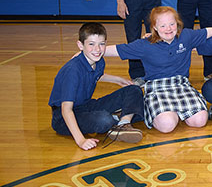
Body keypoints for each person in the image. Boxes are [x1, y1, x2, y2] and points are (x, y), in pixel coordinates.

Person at [104, 6, 212, 133]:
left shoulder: (186, 36)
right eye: (162, 26)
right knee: (167, 125)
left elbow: (207, 32)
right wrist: (91, 51)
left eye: (172, 24)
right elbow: (117, 50)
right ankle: (159, 111)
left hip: (181, 85)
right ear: (155, 27)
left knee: (200, 121)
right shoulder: (144, 44)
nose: (168, 29)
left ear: (177, 24)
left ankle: (174, 112)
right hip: (157, 88)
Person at [48, 22, 144, 150]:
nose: (97, 49)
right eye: (91, 44)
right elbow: (66, 109)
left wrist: (117, 79)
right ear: (80, 45)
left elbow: (95, 75)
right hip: (63, 118)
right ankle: (117, 116)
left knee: (134, 90)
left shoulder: (98, 61)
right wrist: (81, 140)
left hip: (87, 106)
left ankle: (122, 123)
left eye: (102, 44)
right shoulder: (72, 71)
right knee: (104, 120)